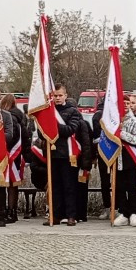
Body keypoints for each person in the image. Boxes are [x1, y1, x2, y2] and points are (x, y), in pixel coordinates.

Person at [46, 85, 83, 226]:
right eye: (55, 96)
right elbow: (43, 133)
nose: (57, 98)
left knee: (69, 186)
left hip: (68, 154)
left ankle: (71, 215)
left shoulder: (73, 112)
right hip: (52, 154)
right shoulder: (49, 111)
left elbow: (70, 129)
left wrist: (53, 125)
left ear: (65, 96)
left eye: (60, 95)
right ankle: (56, 215)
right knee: (55, 187)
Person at [113, 95, 136, 226]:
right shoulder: (113, 120)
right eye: (123, 103)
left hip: (130, 158)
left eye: (128, 103)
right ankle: (124, 212)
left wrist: (121, 133)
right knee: (119, 187)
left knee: (131, 187)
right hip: (116, 157)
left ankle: (133, 212)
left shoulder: (134, 121)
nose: (126, 105)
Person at [0, 93, 29, 223]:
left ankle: (8, 211)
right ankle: (13, 210)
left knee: (6, 182)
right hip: (17, 155)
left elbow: (11, 137)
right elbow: (26, 137)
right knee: (13, 184)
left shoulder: (8, 117)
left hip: (8, 153)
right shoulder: (21, 118)